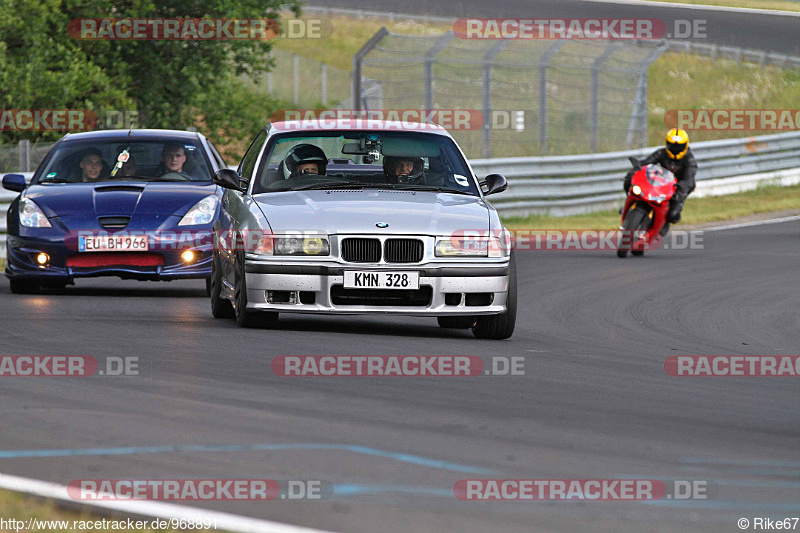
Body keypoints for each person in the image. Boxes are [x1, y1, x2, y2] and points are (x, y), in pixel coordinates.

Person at [624, 128, 697, 233]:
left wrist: (683, 186)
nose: (675, 149)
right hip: (660, 182)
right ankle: (627, 206)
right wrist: (638, 167)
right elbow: (648, 162)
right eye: (672, 146)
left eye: (679, 147)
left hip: (678, 187)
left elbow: (690, 178)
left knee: (673, 214)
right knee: (629, 179)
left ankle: (664, 222)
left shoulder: (689, 160)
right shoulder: (661, 153)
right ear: (667, 144)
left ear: (685, 146)